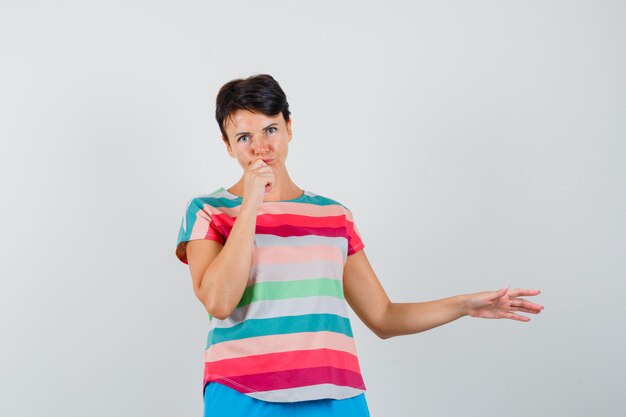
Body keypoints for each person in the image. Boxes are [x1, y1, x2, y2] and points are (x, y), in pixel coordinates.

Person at [175, 74, 544, 417]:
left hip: (337, 397)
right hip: (244, 395)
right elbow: (219, 302)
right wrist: (252, 203)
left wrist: (463, 305)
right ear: (227, 146)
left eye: (270, 129)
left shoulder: (334, 216)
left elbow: (383, 317)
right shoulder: (209, 210)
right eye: (244, 138)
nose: (260, 148)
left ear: (289, 128)